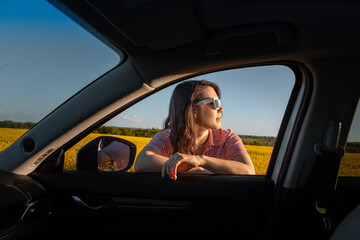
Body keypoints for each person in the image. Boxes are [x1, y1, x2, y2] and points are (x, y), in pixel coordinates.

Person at [135, 80, 255, 180]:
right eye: (214, 103)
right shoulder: (169, 136)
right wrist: (193, 168)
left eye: (220, 102)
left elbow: (248, 170)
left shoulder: (227, 138)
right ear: (193, 109)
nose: (221, 109)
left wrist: (200, 160)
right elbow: (142, 161)